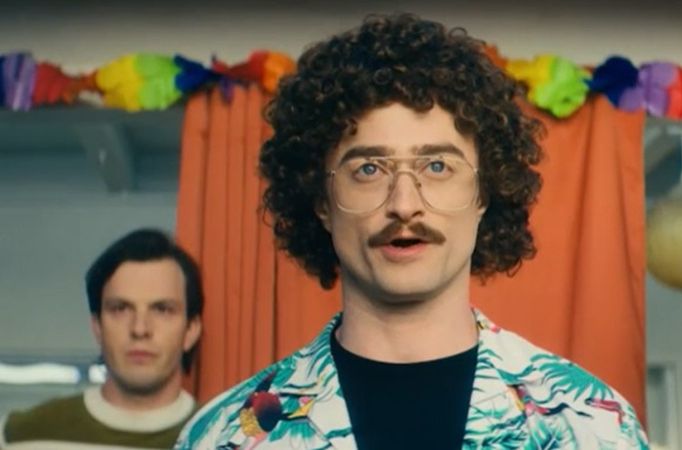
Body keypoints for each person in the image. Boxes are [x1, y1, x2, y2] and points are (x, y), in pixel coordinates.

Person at [177, 13, 648, 450]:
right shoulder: (225, 436)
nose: (404, 204)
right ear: (321, 202)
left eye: (437, 166)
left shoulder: (593, 426)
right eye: (368, 169)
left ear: (484, 192)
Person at [1, 229, 203, 449]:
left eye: (162, 309)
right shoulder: (20, 437)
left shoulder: (220, 440)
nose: (139, 329)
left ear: (191, 330)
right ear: (97, 326)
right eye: (121, 308)